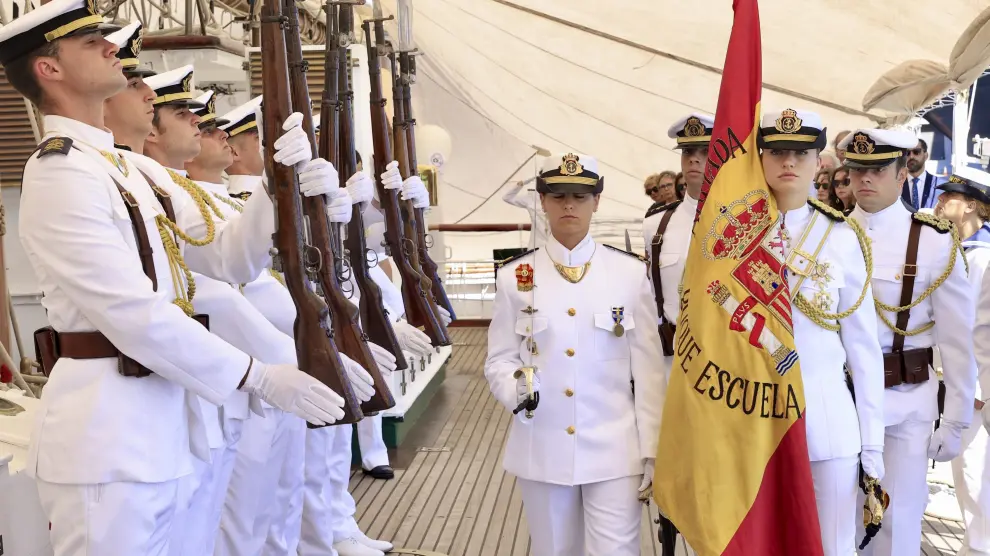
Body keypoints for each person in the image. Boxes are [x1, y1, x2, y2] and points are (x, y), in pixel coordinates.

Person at [0, 1, 347, 553]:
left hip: (173, 426)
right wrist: (257, 376)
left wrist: (275, 184)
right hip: (109, 437)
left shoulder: (131, 170)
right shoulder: (59, 170)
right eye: (91, 43)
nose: (111, 48)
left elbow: (228, 259)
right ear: (49, 68)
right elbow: (131, 313)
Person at [485, 152, 665, 555]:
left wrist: (652, 448)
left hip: (616, 448)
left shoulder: (628, 273)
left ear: (596, 201)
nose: (569, 205)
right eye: (559, 196)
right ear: (543, 201)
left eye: (580, 197)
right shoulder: (515, 277)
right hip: (542, 446)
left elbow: (649, 371)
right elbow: (499, 358)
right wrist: (517, 389)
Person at [844, 129, 977, 556]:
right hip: (841, 400)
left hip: (902, 400)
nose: (865, 179)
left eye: (879, 170)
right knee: (839, 525)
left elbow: (958, 340)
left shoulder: (933, 240)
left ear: (902, 174)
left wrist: (955, 420)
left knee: (896, 524)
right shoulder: (829, 234)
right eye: (857, 170)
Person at [759, 108, 886, 556]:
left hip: (826, 424)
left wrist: (872, 444)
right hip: (749, 422)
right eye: (777, 151)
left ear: (819, 161)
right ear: (760, 158)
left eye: (801, 152)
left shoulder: (842, 237)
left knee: (832, 547)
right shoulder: (733, 237)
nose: (788, 161)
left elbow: (864, 348)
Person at [936, 168, 990, 556]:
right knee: (962, 474)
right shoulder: (954, 250)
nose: (939, 202)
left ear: (971, 205)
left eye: (949, 197)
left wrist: (979, 389)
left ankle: (979, 549)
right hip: (949, 379)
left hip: (971, 387)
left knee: (972, 475)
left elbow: (982, 329)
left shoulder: (982, 258)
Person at [642, 113, 710, 375]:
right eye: (688, 151)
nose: (694, 159)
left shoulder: (741, 222)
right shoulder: (656, 225)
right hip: (674, 360)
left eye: (705, 152)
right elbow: (650, 294)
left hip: (727, 361)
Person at [502, 176, 549, 249]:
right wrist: (523, 183)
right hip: (537, 246)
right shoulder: (532, 197)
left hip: (556, 245)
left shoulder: (559, 197)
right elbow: (507, 198)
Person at [901, 138, 945, 211]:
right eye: (907, 153)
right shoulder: (897, 184)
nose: (911, 156)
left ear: (926, 155)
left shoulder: (940, 185)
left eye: (916, 152)